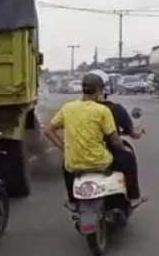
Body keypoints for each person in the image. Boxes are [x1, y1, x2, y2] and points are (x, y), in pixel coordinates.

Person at [45, 73, 144, 210]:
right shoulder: (104, 110)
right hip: (99, 160)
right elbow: (115, 141)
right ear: (100, 90)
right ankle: (133, 197)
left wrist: (64, 148)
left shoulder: (67, 108)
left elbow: (48, 131)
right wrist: (123, 148)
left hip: (74, 161)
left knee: (67, 163)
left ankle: (72, 200)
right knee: (128, 156)